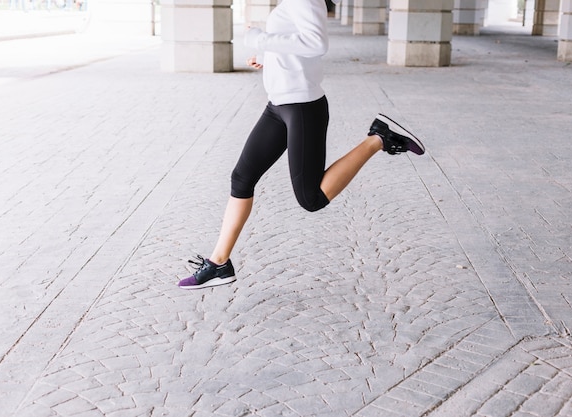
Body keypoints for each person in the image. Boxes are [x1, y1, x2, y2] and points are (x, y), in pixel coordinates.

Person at [178, 0, 425, 289]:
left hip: (302, 107)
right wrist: (270, 58)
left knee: (311, 199)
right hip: (279, 104)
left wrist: (259, 38)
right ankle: (219, 264)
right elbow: (298, 44)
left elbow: (315, 43)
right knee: (242, 178)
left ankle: (379, 138)